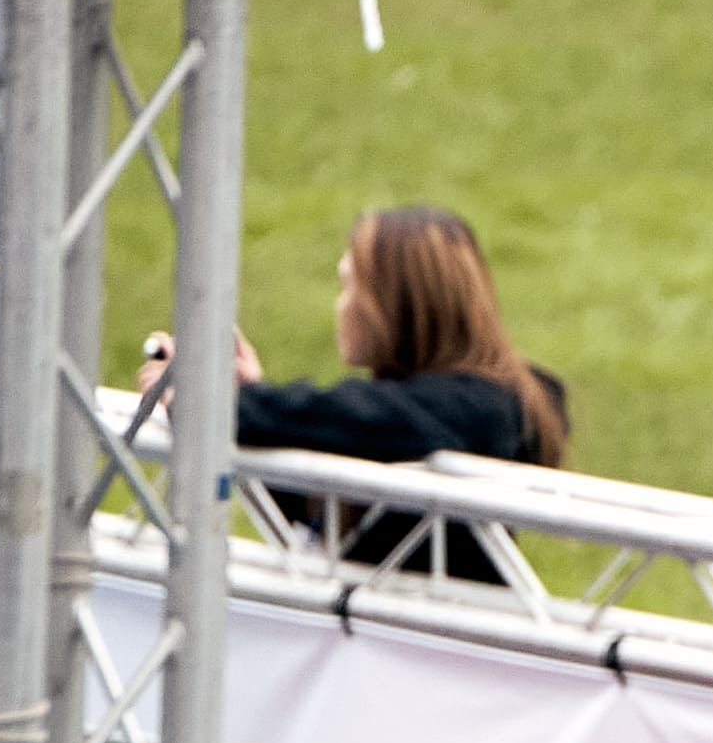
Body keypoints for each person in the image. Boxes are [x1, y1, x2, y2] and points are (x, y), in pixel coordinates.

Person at [149, 202, 572, 576]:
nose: (341, 306)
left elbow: (348, 417)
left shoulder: (482, 408)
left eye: (350, 287)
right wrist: (248, 394)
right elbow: (328, 520)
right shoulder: (460, 407)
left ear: (396, 305)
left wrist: (213, 401)